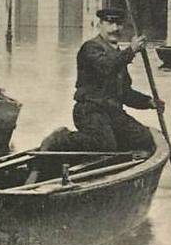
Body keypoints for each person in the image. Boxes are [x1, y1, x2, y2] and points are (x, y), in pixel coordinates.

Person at [40, 9, 162, 153]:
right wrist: (131, 50)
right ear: (100, 25)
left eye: (119, 24)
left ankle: (111, 154)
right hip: (90, 111)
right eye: (110, 23)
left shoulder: (119, 54)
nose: (115, 29)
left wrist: (148, 102)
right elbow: (107, 67)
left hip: (113, 113)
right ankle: (61, 139)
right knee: (104, 144)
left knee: (144, 139)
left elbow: (125, 93)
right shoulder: (90, 48)